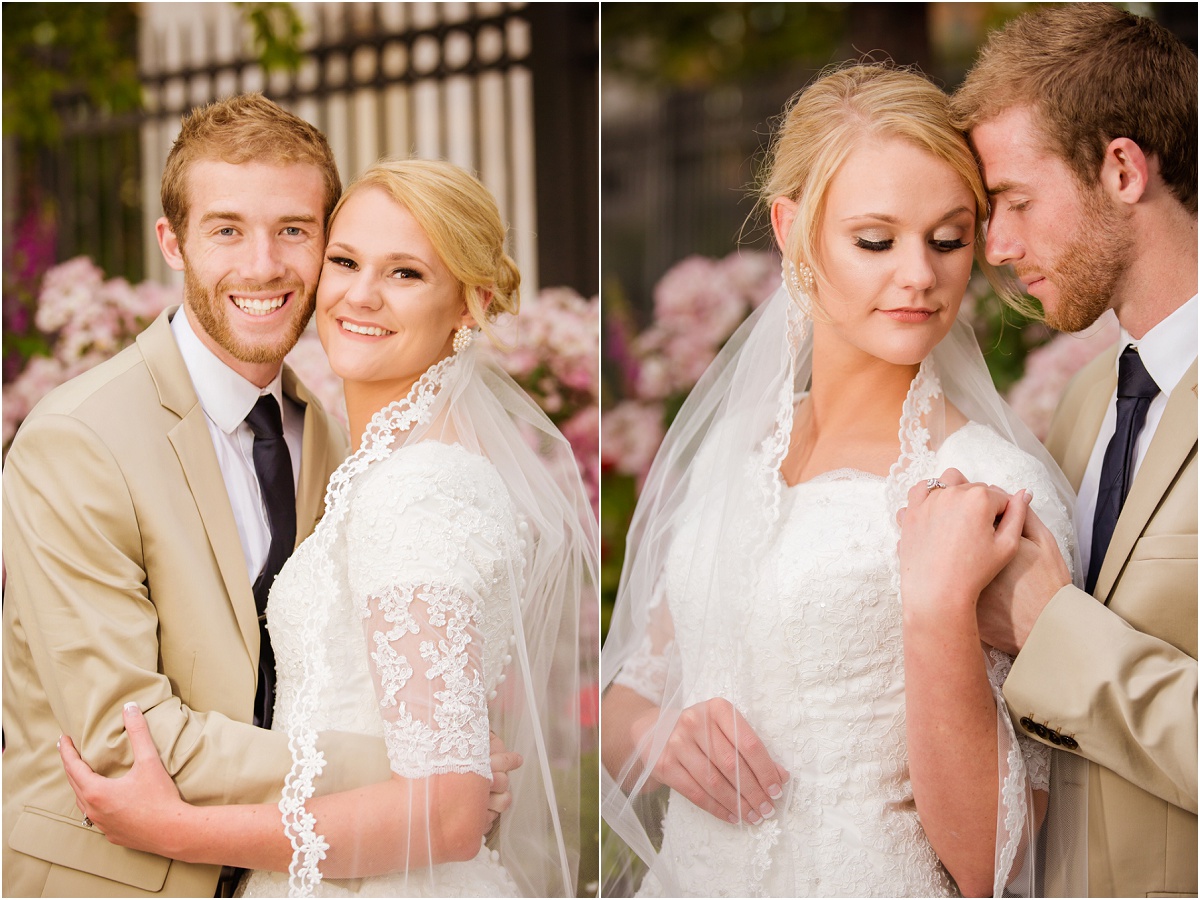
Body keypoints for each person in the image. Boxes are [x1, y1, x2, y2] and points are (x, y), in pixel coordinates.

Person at [2, 95, 519, 898]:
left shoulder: (340, 439)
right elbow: (123, 741)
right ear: (171, 241)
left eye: (294, 231)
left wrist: (436, 786)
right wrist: (426, 775)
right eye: (227, 230)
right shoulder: (78, 440)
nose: (263, 266)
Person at [600, 64, 1082, 898]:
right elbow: (626, 696)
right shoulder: (734, 457)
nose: (919, 276)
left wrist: (937, 613)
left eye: (948, 237)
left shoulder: (992, 491)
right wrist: (659, 733)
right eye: (875, 240)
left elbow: (995, 863)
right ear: (793, 231)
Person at [911, 5, 1196, 897]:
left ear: (1121, 168)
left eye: (1017, 204)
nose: (995, 248)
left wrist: (1047, 626)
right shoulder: (1083, 405)